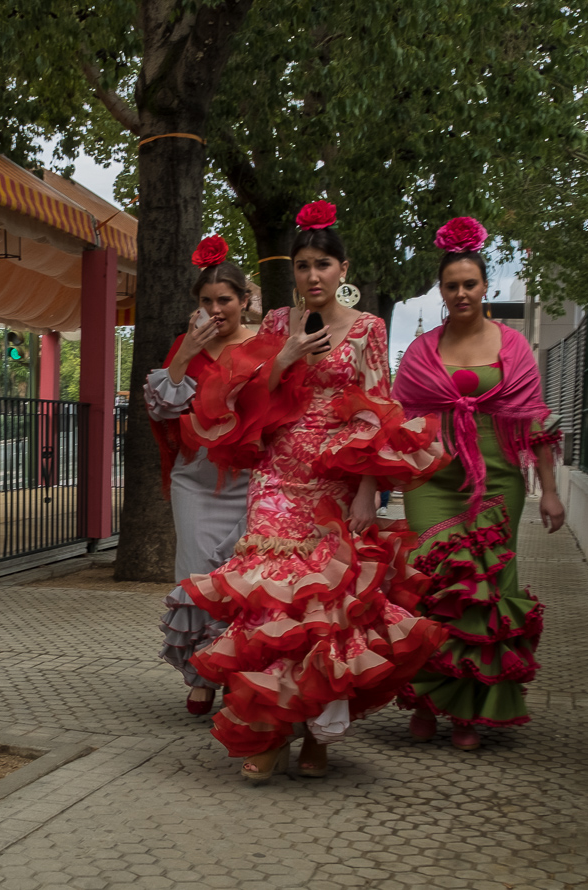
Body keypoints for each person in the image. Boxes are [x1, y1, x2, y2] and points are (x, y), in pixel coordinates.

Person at [179, 201, 448, 782]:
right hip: (276, 471)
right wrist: (286, 358)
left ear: (342, 269)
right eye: (302, 265)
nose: (312, 275)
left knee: (324, 606)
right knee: (271, 601)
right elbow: (248, 394)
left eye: (322, 264)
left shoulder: (369, 328)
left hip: (336, 475)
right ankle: (272, 731)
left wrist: (367, 490)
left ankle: (318, 734)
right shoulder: (279, 322)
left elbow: (378, 409)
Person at [392, 216, 565, 751]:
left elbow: (534, 419)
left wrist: (550, 490)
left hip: (498, 482)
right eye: (452, 285)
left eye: (470, 283)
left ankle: (466, 711)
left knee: (484, 592)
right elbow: (397, 423)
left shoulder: (514, 347)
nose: (462, 293)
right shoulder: (421, 351)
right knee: (434, 585)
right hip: (432, 482)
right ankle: (428, 700)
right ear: (441, 291)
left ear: (486, 286)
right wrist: (371, 488)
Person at [145, 235, 256, 715]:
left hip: (250, 480)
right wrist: (186, 350)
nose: (215, 309)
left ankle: (233, 673)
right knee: (197, 577)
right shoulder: (186, 346)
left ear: (244, 301)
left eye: (224, 299)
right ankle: (201, 676)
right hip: (195, 479)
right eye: (206, 301)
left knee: (239, 579)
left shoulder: (265, 347)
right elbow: (162, 407)